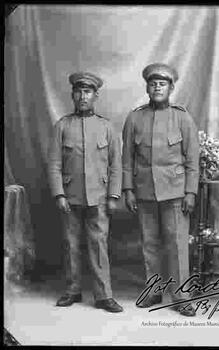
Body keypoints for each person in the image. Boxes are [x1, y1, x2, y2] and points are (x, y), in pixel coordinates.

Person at [122, 63, 199, 316]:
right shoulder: (135, 118)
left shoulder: (182, 118)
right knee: (150, 244)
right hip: (144, 192)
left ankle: (182, 298)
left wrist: (190, 192)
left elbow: (192, 160)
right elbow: (127, 159)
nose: (157, 87)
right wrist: (129, 190)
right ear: (146, 87)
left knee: (177, 245)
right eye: (153, 83)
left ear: (171, 88)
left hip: (176, 193)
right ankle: (154, 291)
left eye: (162, 84)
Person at [48, 72, 123, 312]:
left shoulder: (106, 127)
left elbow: (116, 165)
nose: (83, 96)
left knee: (98, 245)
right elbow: (54, 164)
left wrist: (113, 196)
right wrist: (59, 194)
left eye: (87, 92)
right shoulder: (62, 126)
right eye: (79, 92)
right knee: (71, 244)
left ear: (95, 96)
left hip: (99, 197)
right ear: (72, 95)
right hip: (70, 197)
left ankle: (104, 296)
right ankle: (72, 290)